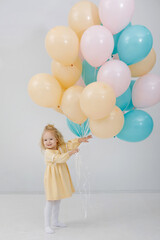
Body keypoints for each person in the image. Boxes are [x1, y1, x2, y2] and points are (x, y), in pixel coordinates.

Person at [40, 124, 92, 234]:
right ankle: (47, 225)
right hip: (52, 179)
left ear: (57, 140)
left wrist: (80, 140)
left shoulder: (59, 147)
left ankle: (55, 221)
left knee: (57, 201)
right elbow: (59, 159)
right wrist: (70, 153)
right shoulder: (48, 153)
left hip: (59, 177)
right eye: (45, 140)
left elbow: (69, 145)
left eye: (51, 139)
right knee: (50, 201)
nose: (48, 142)